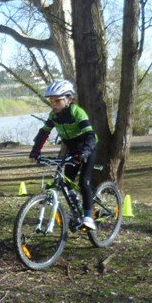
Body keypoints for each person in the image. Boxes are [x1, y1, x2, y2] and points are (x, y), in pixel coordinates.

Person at [29, 80, 98, 230]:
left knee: (83, 182)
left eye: (58, 101)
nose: (54, 104)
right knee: (66, 182)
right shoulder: (54, 115)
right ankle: (76, 211)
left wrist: (85, 152)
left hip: (88, 148)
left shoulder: (77, 112)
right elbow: (44, 133)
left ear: (69, 99)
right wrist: (36, 150)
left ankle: (88, 216)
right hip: (72, 151)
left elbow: (90, 136)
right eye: (51, 101)